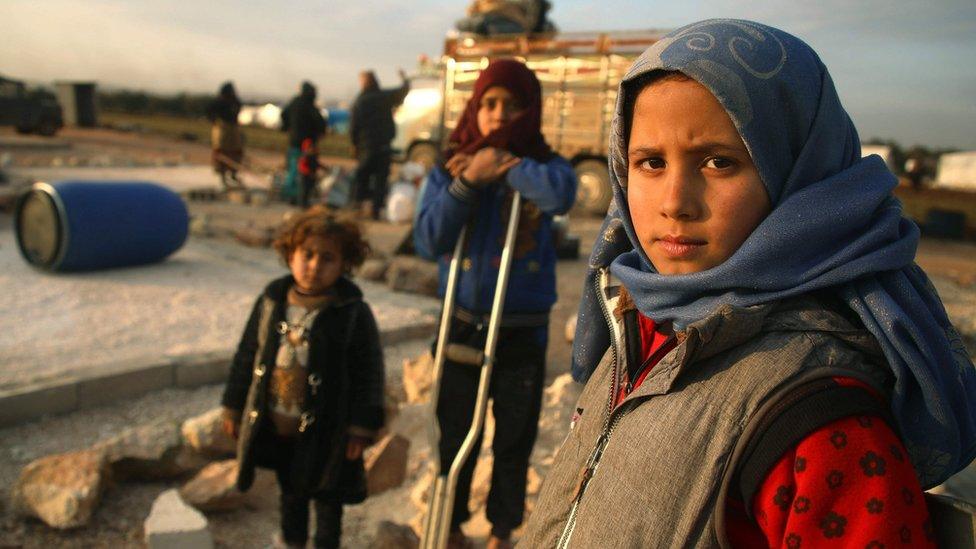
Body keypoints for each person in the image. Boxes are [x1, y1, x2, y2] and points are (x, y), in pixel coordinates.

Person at [520, 19, 976, 547]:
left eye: (719, 162)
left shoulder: (819, 415)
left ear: (799, 174)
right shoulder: (640, 321)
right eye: (650, 162)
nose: (674, 202)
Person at [414, 59, 577, 549]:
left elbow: (560, 196)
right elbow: (428, 240)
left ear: (529, 112)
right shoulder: (451, 168)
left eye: (511, 105)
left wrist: (502, 166)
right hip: (461, 321)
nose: (498, 114)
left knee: (514, 435)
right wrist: (470, 181)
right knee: (454, 429)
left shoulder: (544, 166)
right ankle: (451, 523)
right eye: (489, 104)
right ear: (474, 107)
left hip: (521, 325)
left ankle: (503, 530)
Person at [220, 206, 384, 549]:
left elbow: (370, 371)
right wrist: (233, 406)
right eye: (306, 254)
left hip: (331, 429)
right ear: (290, 254)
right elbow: (247, 353)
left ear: (344, 265)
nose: (314, 266)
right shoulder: (271, 303)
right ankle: (291, 543)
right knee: (291, 492)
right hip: (282, 426)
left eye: (327, 258)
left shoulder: (352, 312)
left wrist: (361, 426)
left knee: (328, 495)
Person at [349, 69, 410, 219]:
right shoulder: (384, 97)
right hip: (384, 146)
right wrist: (405, 79)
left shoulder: (360, 101)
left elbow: (354, 126)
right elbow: (403, 91)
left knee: (362, 177)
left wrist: (354, 144)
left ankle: (359, 207)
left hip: (366, 147)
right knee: (381, 180)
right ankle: (375, 210)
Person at [281, 82, 327, 205]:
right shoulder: (310, 106)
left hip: (294, 142)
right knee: (305, 172)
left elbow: (283, 115)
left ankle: (290, 195)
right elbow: (320, 122)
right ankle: (301, 198)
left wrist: (286, 127)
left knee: (293, 169)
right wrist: (319, 134)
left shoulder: (294, 103)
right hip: (307, 145)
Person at [206, 81, 244, 189]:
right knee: (221, 153)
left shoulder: (235, 101)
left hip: (233, 129)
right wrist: (214, 121)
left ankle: (233, 173)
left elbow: (239, 108)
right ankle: (223, 177)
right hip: (222, 129)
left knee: (235, 152)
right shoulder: (219, 102)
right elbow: (209, 111)